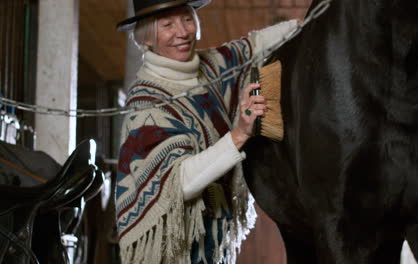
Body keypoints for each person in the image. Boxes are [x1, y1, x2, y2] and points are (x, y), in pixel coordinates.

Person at [115, 0, 299, 263]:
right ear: (147, 39)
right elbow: (181, 183)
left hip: (215, 242)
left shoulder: (212, 66)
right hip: (173, 251)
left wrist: (312, 22)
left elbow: (256, 45)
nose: (182, 32)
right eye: (167, 25)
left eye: (188, 20)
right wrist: (239, 135)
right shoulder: (146, 104)